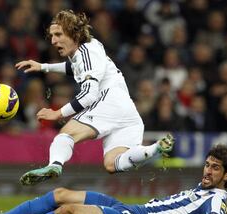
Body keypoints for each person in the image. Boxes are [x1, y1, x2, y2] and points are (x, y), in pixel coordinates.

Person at [15, 10, 175, 186]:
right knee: (112, 163)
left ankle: (54, 165)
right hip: (127, 112)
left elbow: (90, 95)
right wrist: (43, 67)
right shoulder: (87, 50)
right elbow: (74, 67)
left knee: (66, 135)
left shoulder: (86, 52)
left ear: (73, 33)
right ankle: (154, 149)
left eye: (58, 34)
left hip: (109, 102)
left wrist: (58, 113)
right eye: (52, 36)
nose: (53, 41)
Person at [0, 144, 227, 214]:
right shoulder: (210, 193)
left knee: (66, 212)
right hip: (128, 208)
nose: (207, 171)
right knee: (60, 194)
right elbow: (225, 211)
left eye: (215, 168)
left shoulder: (215, 201)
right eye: (207, 165)